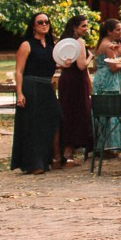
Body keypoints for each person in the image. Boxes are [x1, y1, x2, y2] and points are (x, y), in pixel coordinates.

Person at [10, 12, 60, 174]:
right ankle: (34, 163)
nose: (44, 24)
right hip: (31, 86)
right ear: (34, 25)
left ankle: (48, 158)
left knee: (53, 118)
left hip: (46, 86)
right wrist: (19, 93)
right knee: (33, 125)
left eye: (46, 22)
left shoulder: (52, 46)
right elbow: (18, 71)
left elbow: (53, 65)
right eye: (40, 22)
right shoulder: (27, 45)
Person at [53, 15, 93, 168]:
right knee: (78, 114)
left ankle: (66, 151)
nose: (86, 29)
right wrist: (90, 57)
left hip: (66, 80)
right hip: (76, 81)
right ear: (75, 27)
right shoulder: (79, 42)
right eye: (83, 26)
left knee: (67, 113)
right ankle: (68, 153)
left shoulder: (63, 43)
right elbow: (82, 65)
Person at [90, 24, 121, 154]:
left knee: (102, 110)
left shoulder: (102, 43)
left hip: (100, 77)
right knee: (110, 110)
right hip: (108, 80)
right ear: (109, 32)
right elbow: (113, 67)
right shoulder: (108, 46)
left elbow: (95, 65)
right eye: (117, 29)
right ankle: (110, 146)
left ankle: (102, 144)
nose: (120, 32)